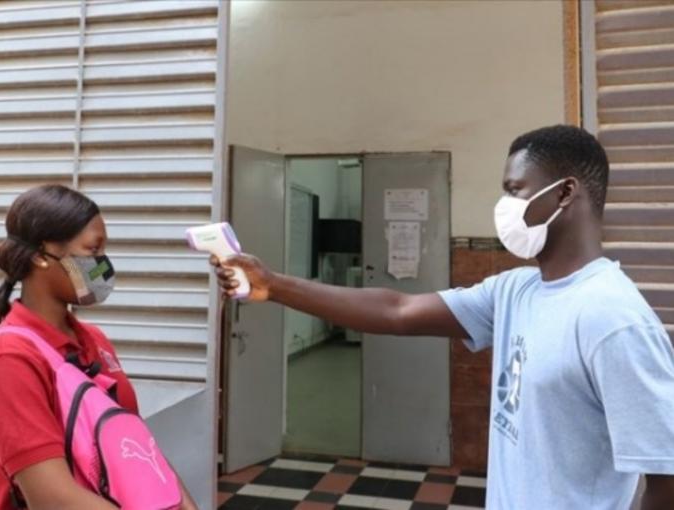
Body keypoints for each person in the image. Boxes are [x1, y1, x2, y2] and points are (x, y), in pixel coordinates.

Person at [213, 125, 674, 510]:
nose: (504, 206)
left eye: (515, 189)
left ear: (565, 193)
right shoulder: (515, 290)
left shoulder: (613, 320)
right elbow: (398, 310)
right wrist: (272, 285)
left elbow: (666, 478)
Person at [0, 185, 198, 510]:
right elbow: (53, 499)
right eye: (92, 251)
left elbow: (138, 447)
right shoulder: (9, 357)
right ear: (41, 255)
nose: (101, 266)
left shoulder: (94, 340)